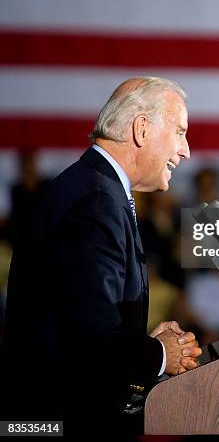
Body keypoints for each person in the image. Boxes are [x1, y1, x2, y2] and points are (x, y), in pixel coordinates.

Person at [0, 76, 202, 439]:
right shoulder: (95, 201)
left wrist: (141, 343)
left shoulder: (92, 187)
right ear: (142, 129)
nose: (186, 150)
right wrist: (157, 354)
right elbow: (92, 339)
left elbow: (79, 315)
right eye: (180, 132)